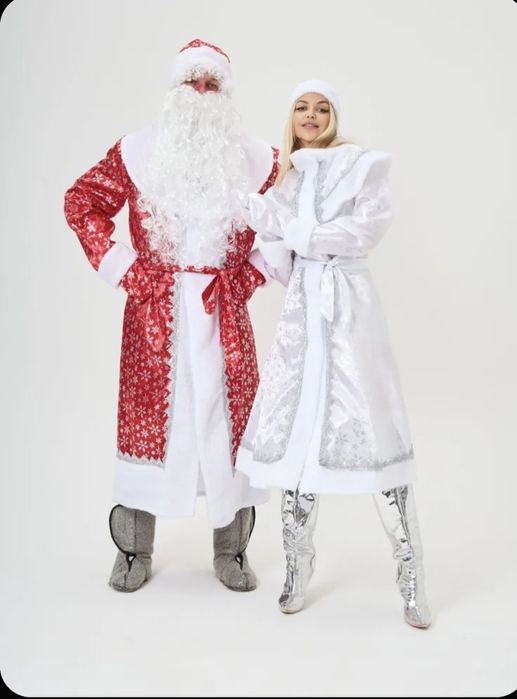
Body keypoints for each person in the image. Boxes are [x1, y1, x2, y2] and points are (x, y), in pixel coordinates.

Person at [64, 39, 279, 594]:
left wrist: (249, 276)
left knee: (229, 429)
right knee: (149, 427)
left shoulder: (256, 159)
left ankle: (232, 551)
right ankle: (133, 550)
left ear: (225, 94)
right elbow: (81, 202)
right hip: (154, 315)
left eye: (213, 84)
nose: (202, 94)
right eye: (192, 83)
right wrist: (126, 270)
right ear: (175, 90)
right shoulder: (137, 151)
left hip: (223, 315)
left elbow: (289, 224)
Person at [235, 79, 432, 628]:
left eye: (322, 108)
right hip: (302, 316)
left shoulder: (361, 164)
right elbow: (270, 233)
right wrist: (276, 235)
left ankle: (411, 575)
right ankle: (297, 567)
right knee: (297, 439)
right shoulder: (289, 177)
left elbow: (364, 231)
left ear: (334, 117)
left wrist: (300, 233)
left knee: (375, 433)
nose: (311, 115)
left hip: (348, 307)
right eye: (301, 107)